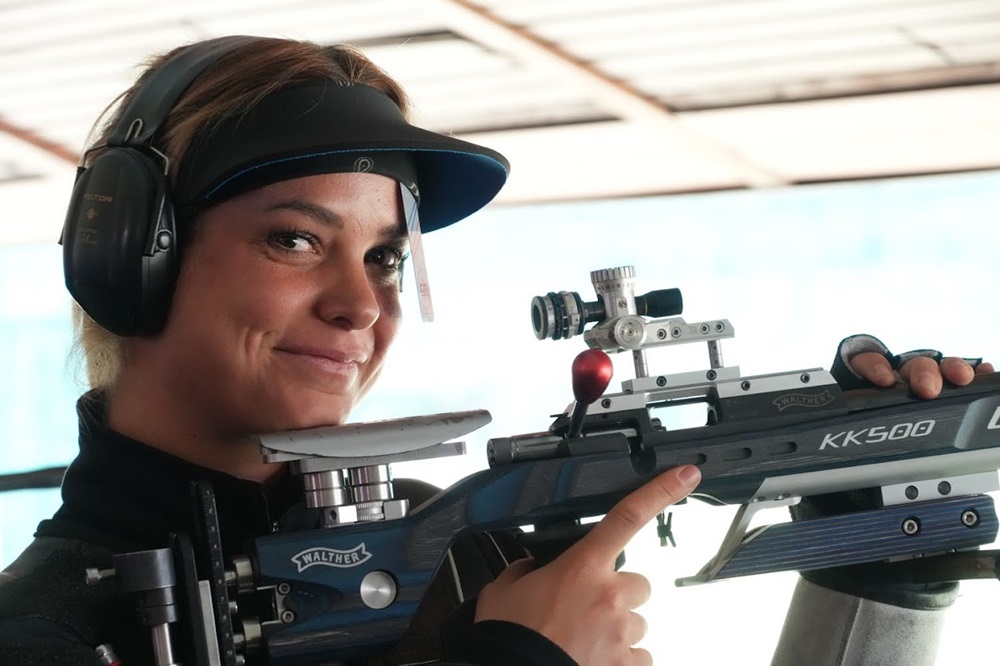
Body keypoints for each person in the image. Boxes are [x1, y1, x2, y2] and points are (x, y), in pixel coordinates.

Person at [0, 34, 990, 666]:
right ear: (130, 254)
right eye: (294, 240)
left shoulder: (466, 557)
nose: (360, 305)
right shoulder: (39, 636)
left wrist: (876, 563)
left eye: (386, 255)